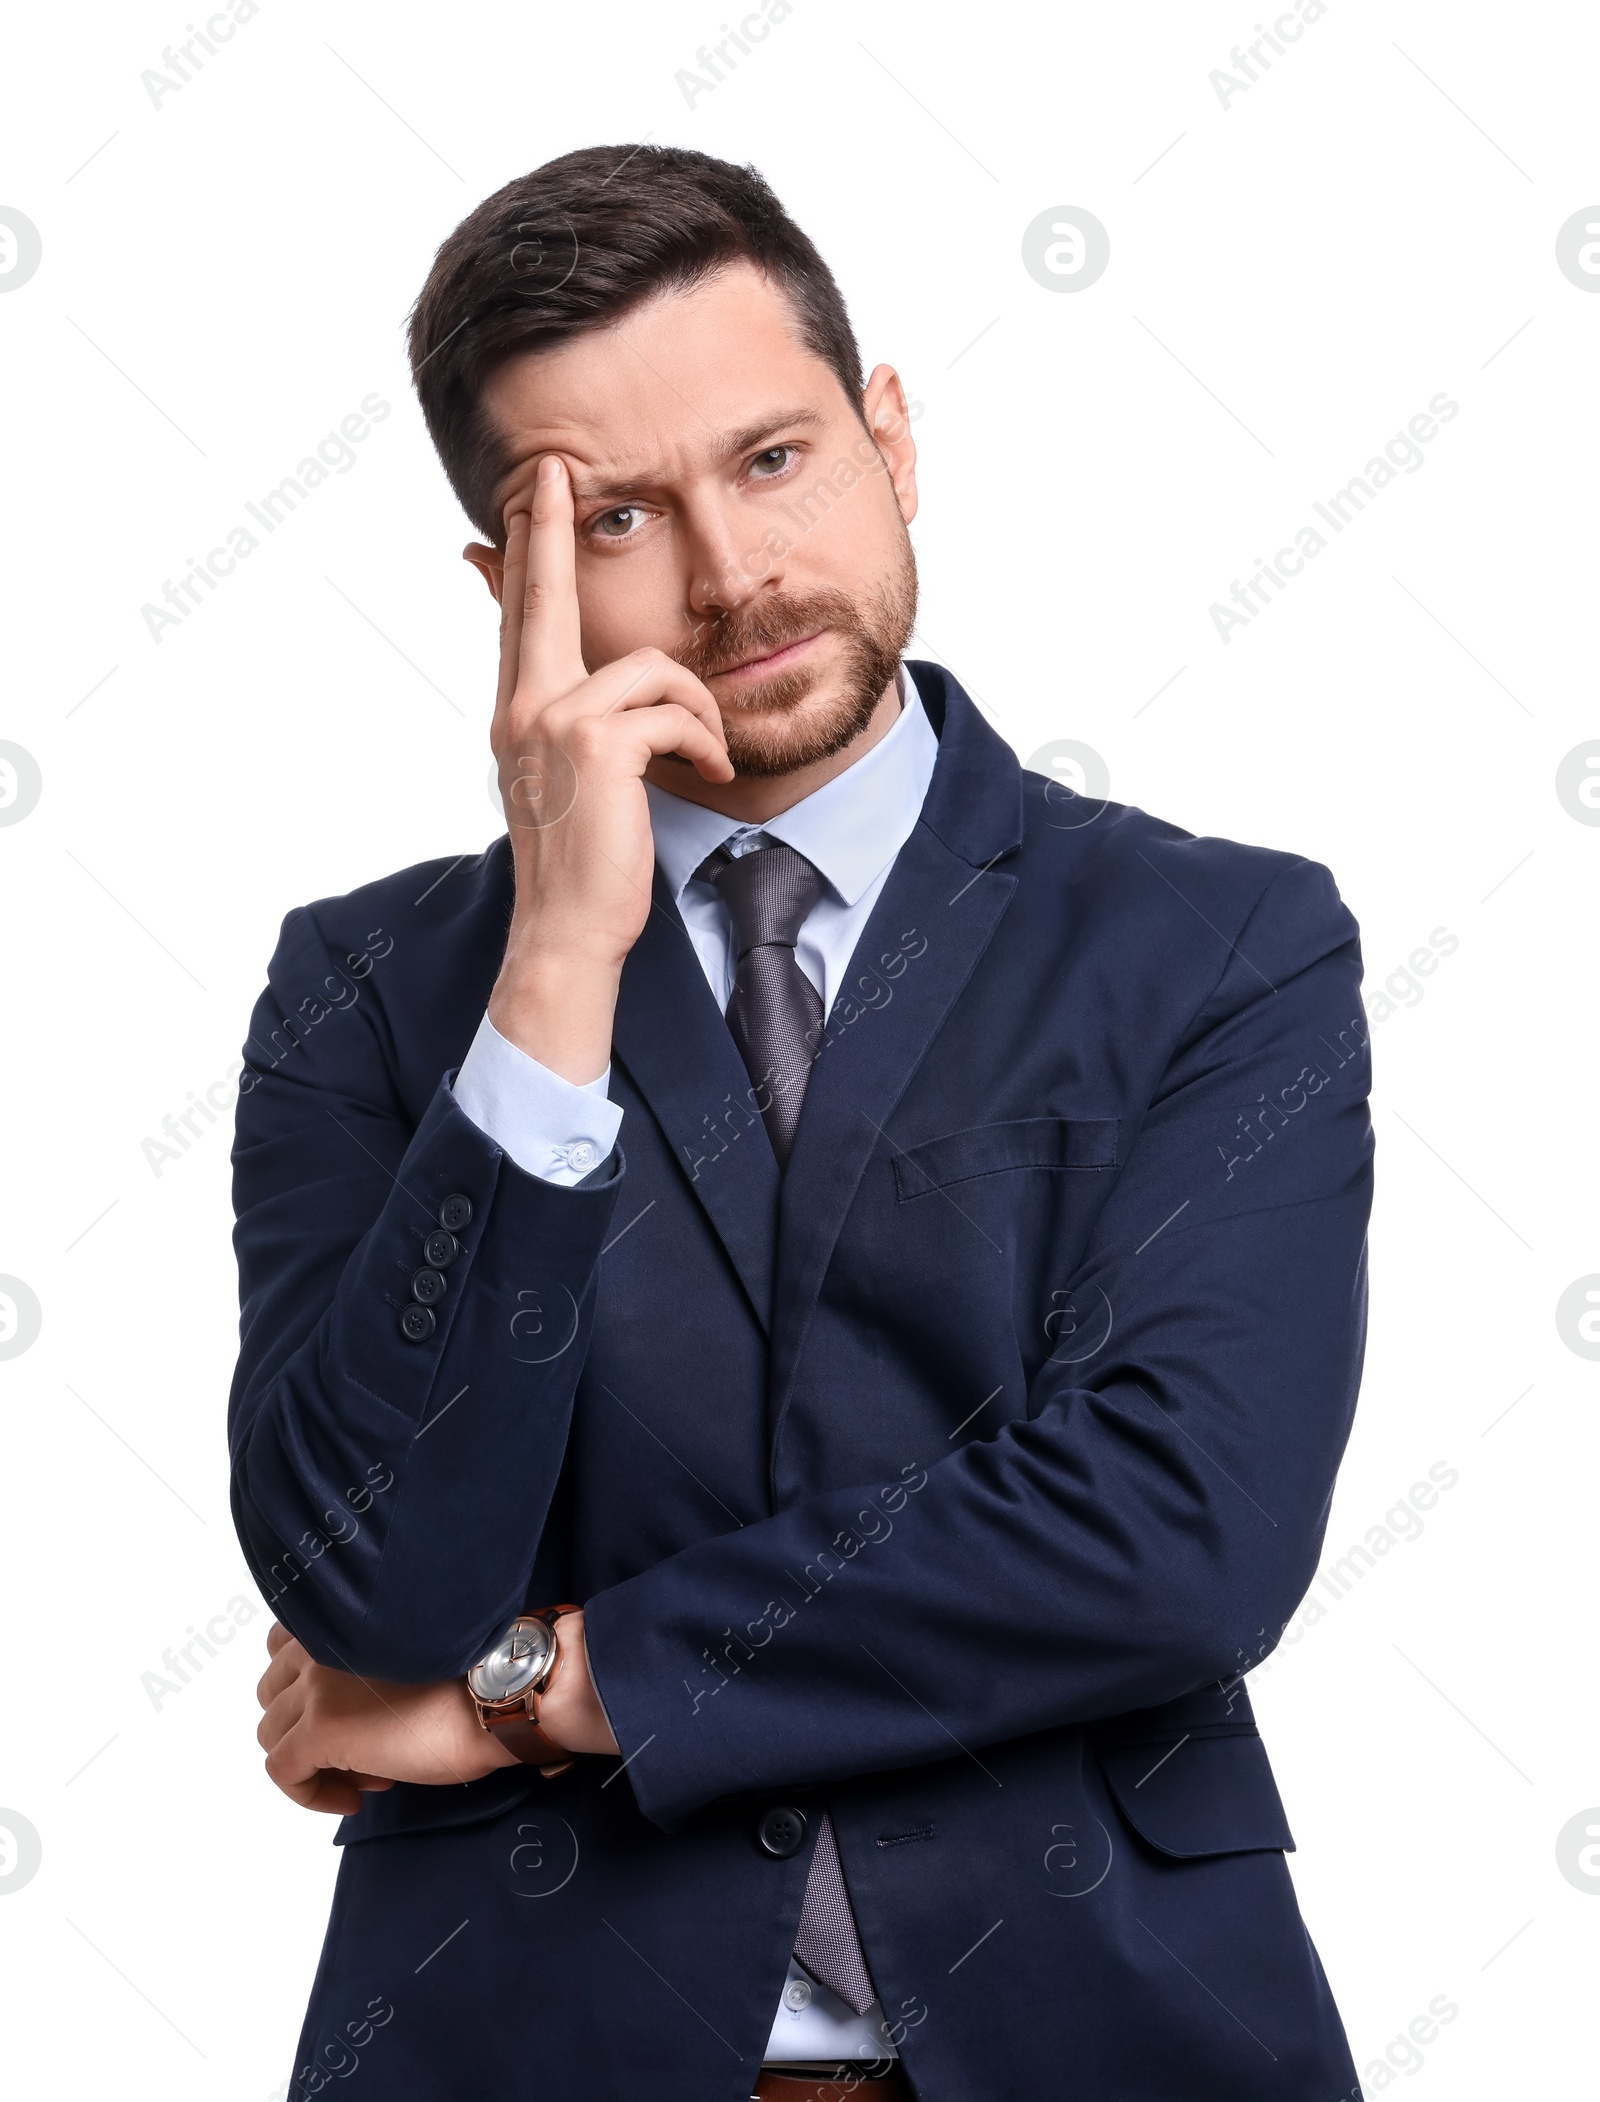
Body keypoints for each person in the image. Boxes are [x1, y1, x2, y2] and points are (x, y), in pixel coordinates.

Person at [235, 144, 1374, 2102]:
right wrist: (559, 966)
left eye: (772, 460)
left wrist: (541, 1687)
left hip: (1105, 2037)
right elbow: (369, 1577)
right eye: (614, 515)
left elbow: (1176, 1532)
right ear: (509, 586)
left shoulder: (1216, 947)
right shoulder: (368, 992)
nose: (728, 571)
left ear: (889, 438)